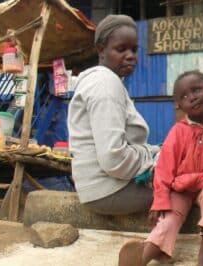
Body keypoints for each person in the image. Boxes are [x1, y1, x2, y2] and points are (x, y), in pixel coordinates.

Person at [118, 70, 203, 266]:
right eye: (185, 96)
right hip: (182, 187)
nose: (193, 97)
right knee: (169, 218)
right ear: (178, 105)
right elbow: (164, 169)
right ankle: (144, 255)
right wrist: (160, 200)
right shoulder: (178, 131)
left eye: (197, 90)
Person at [68, 14, 159, 215]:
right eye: (121, 49)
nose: (130, 56)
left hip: (100, 187)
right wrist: (150, 158)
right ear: (101, 49)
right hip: (108, 190)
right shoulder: (106, 84)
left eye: (134, 50)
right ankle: (154, 247)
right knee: (181, 193)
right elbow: (113, 159)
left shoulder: (102, 80)